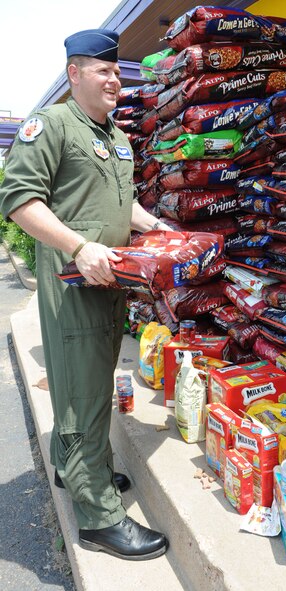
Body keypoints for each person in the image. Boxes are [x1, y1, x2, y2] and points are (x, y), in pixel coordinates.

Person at [0, 28, 172, 560]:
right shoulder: (51, 126)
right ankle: (97, 517)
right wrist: (78, 247)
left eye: (118, 71)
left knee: (94, 378)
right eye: (103, 71)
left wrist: (155, 226)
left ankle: (75, 466)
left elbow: (122, 202)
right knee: (82, 394)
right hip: (74, 284)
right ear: (74, 73)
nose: (115, 79)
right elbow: (18, 200)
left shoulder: (116, 136)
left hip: (110, 282)